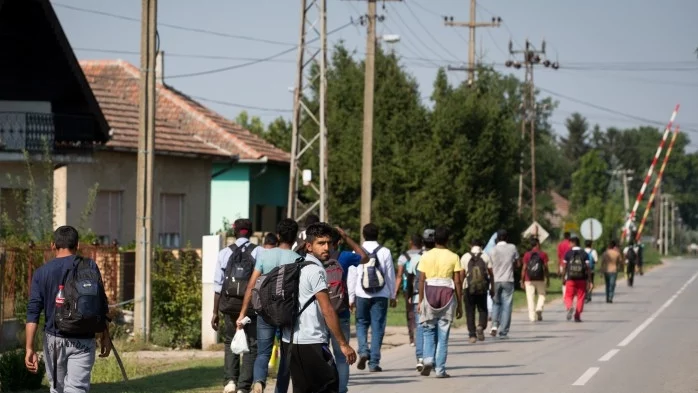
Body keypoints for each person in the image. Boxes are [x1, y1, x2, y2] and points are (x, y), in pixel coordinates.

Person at [25, 226, 112, 393]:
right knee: (77, 389)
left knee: (57, 388)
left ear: (53, 245)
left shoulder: (42, 273)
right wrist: (105, 336)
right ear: (77, 245)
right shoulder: (90, 266)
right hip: (84, 339)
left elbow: (33, 311)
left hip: (54, 339)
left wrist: (29, 347)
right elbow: (101, 303)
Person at [282, 222, 357, 393]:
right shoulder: (317, 271)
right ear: (309, 246)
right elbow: (328, 309)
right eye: (321, 243)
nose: (327, 248)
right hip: (312, 341)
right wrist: (343, 344)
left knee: (302, 389)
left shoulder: (297, 264)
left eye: (329, 243)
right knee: (330, 387)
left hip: (291, 342)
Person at [234, 218, 301, 393]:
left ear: (278, 235)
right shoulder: (298, 259)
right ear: (295, 238)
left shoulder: (265, 255)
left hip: (265, 311)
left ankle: (259, 381)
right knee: (287, 355)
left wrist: (242, 313)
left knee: (263, 352)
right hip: (288, 312)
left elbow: (251, 285)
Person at [213, 218, 260, 393]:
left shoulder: (224, 253)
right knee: (251, 344)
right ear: (251, 232)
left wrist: (215, 312)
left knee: (229, 341)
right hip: (251, 307)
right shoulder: (259, 252)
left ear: (235, 231)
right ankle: (243, 387)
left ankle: (230, 382)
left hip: (230, 304)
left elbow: (218, 286)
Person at [417, 227, 463, 377]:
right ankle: (440, 370)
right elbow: (457, 281)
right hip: (447, 294)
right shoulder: (454, 256)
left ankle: (428, 359)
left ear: (434, 239)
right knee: (443, 334)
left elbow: (422, 279)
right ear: (447, 240)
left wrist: (420, 301)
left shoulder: (426, 256)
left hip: (429, 292)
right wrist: (459, 303)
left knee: (429, 329)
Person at [328, 227, 368, 393]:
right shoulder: (343, 256)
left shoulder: (314, 257)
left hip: (319, 314)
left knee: (321, 354)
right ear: (338, 242)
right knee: (342, 356)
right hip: (340, 312)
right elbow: (365, 257)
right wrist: (347, 237)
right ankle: (341, 389)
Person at [355, 223, 396, 372]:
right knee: (378, 327)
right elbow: (390, 274)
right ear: (378, 235)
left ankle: (363, 351)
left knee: (361, 323)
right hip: (381, 294)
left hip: (361, 293)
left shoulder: (357, 251)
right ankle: (373, 363)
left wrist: (351, 298)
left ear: (363, 235)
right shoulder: (385, 251)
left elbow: (353, 275)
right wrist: (393, 294)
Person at [460, 239, 494, 343]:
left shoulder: (465, 257)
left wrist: (461, 288)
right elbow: (491, 273)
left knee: (470, 311)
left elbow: (461, 274)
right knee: (483, 309)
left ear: (471, 245)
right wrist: (492, 287)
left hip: (468, 287)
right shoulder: (485, 256)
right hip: (482, 287)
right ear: (481, 246)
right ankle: (481, 326)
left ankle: (472, 335)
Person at [394, 234, 424, 346]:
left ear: (411, 242)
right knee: (422, 312)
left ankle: (412, 338)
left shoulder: (403, 257)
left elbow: (399, 275)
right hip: (423, 287)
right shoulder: (425, 255)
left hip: (408, 288)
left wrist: (395, 292)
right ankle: (422, 335)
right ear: (421, 243)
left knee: (410, 313)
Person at [489, 230, 519, 339]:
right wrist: (512, 267)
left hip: (496, 280)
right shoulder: (512, 247)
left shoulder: (492, 250)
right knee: (507, 306)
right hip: (508, 280)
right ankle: (504, 332)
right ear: (507, 238)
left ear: (497, 238)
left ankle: (494, 326)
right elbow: (517, 263)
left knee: (496, 303)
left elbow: (490, 267)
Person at [414, 229, 435, 373]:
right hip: (436, 296)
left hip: (418, 296)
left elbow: (410, 278)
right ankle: (431, 357)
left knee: (421, 327)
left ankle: (420, 358)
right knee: (434, 328)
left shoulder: (416, 257)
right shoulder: (440, 256)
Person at [562, 236, 591, 322]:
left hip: (570, 278)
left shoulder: (568, 253)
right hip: (582, 279)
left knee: (568, 296)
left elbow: (564, 267)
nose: (569, 245)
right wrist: (589, 280)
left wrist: (563, 277)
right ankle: (577, 316)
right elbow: (588, 267)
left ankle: (570, 306)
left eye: (570, 243)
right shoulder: (584, 253)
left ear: (573, 243)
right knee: (581, 297)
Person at [521, 237, 550, 322]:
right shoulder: (543, 254)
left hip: (528, 279)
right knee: (542, 294)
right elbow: (546, 268)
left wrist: (522, 280)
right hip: (540, 278)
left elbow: (524, 268)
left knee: (530, 298)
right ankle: (539, 308)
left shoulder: (527, 255)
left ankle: (532, 317)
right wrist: (548, 278)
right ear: (537, 244)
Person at [557, 232, 572, 296]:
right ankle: (569, 294)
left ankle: (564, 295)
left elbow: (559, 256)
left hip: (562, 264)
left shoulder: (560, 244)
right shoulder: (570, 244)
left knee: (563, 280)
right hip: (570, 264)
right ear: (569, 237)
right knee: (570, 280)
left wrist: (558, 268)